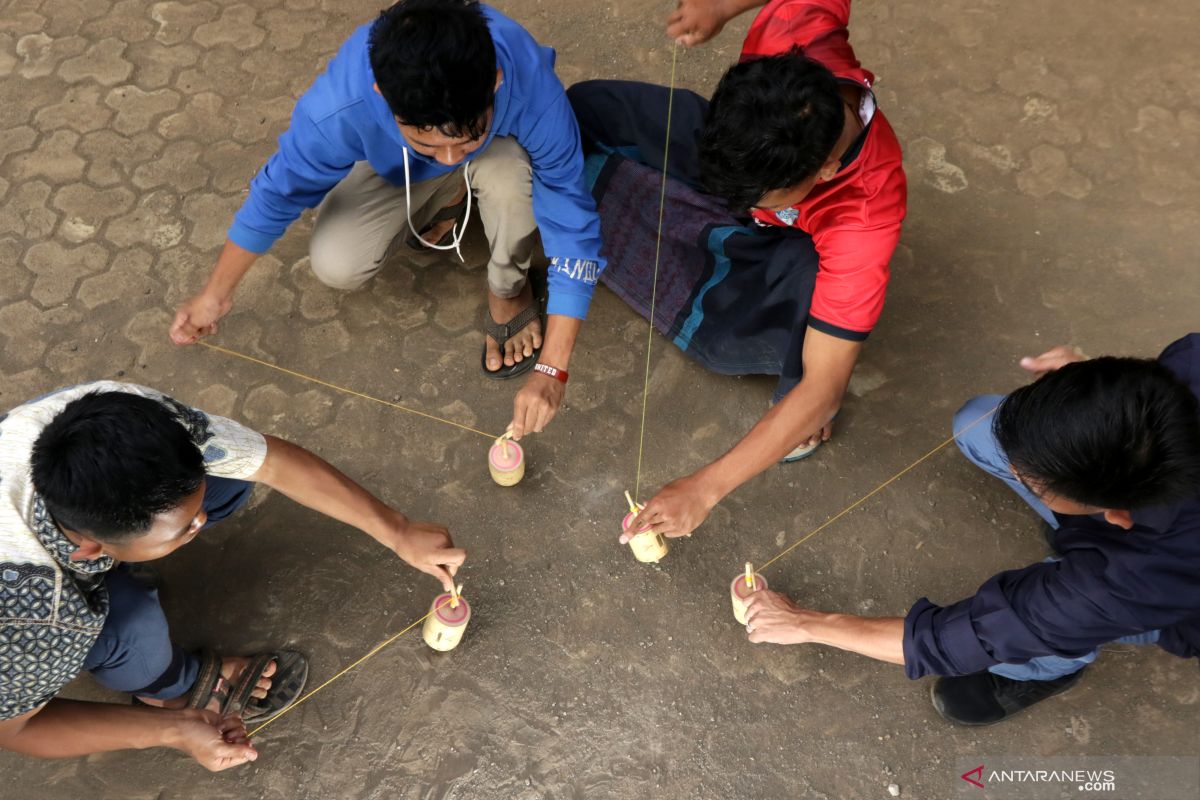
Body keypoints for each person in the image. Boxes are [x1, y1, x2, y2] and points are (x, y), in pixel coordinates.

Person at [170, 0, 604, 439]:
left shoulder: (529, 84)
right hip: (393, 169)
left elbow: (572, 220)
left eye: (469, 136)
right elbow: (277, 193)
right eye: (427, 141)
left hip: (503, 156)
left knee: (509, 170)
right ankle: (450, 194)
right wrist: (214, 296)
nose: (451, 154)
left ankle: (509, 288)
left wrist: (553, 369)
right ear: (382, 94)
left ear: (495, 82)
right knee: (336, 263)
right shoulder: (339, 104)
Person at [567, 0, 907, 543]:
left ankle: (792, 419)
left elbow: (826, 383)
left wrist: (704, 488)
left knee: (743, 334)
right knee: (589, 107)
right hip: (742, 153)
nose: (743, 201)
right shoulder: (798, 30)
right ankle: (727, 189)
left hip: (793, 244)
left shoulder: (866, 215)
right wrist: (722, 8)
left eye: (758, 197)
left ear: (823, 170)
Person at [0, 383, 465, 769]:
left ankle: (137, 555)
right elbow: (17, 729)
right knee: (131, 625)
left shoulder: (130, 417)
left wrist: (397, 530)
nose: (199, 523)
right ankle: (171, 692)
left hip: (85, 547)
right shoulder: (36, 621)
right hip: (30, 606)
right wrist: (175, 732)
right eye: (184, 530)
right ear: (90, 548)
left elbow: (273, 462)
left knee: (231, 475)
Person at [742, 336, 1200, 725]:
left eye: (1030, 483)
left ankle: (1050, 666)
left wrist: (805, 623)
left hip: (1179, 605)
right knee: (979, 421)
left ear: (1116, 514)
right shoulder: (1190, 363)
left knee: (1050, 622)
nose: (1017, 473)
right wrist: (1092, 394)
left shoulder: (1122, 585)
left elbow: (950, 640)